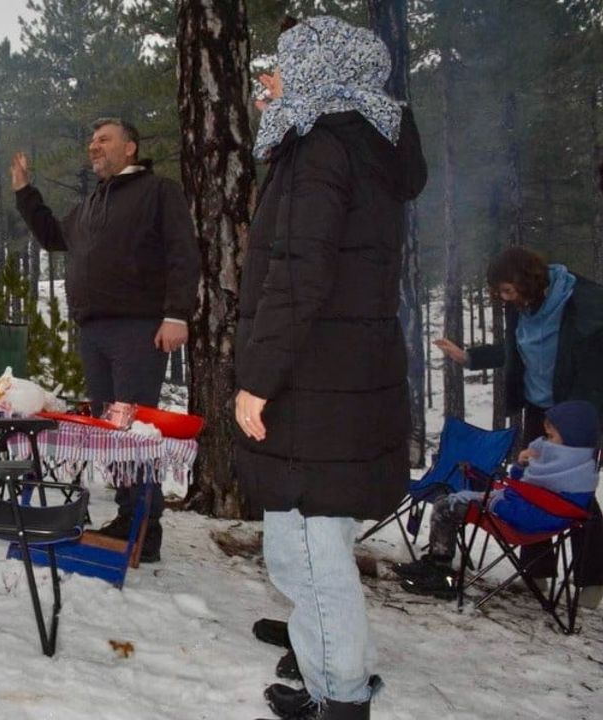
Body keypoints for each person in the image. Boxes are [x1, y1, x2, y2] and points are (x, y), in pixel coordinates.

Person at [234, 16, 427, 720]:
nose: (267, 80)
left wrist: (259, 377)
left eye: (280, 67)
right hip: (332, 378)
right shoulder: (344, 141)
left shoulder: (324, 149)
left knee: (313, 558)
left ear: (319, 72)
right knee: (304, 551)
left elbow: (299, 275)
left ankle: (341, 699)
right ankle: (326, 681)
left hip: (316, 382)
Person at [10, 118, 199, 562]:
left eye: (104, 140)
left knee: (133, 431)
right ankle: (127, 517)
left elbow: (182, 253)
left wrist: (176, 314)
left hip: (138, 328)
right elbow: (54, 236)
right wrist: (25, 192)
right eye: (91, 141)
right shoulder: (93, 201)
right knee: (112, 433)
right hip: (93, 329)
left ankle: (143, 529)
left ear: (130, 148)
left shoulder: (158, 192)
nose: (93, 147)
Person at [433, 246, 603, 606]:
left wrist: (583, 420)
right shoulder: (522, 310)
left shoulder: (578, 304)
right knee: (529, 486)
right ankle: (537, 573)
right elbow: (514, 352)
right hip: (538, 410)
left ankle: (592, 579)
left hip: (575, 418)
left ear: (529, 281)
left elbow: (594, 365)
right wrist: (469, 357)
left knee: (574, 497)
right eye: (499, 293)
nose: (504, 298)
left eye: (508, 290)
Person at [397, 401, 600, 597]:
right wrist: (521, 467)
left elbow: (533, 516)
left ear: (573, 438)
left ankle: (440, 572)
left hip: (513, 522)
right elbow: (528, 491)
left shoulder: (571, 478)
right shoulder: (568, 467)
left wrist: (495, 502)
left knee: (445, 507)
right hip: (510, 509)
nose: (545, 442)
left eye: (552, 437)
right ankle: (435, 564)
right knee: (447, 500)